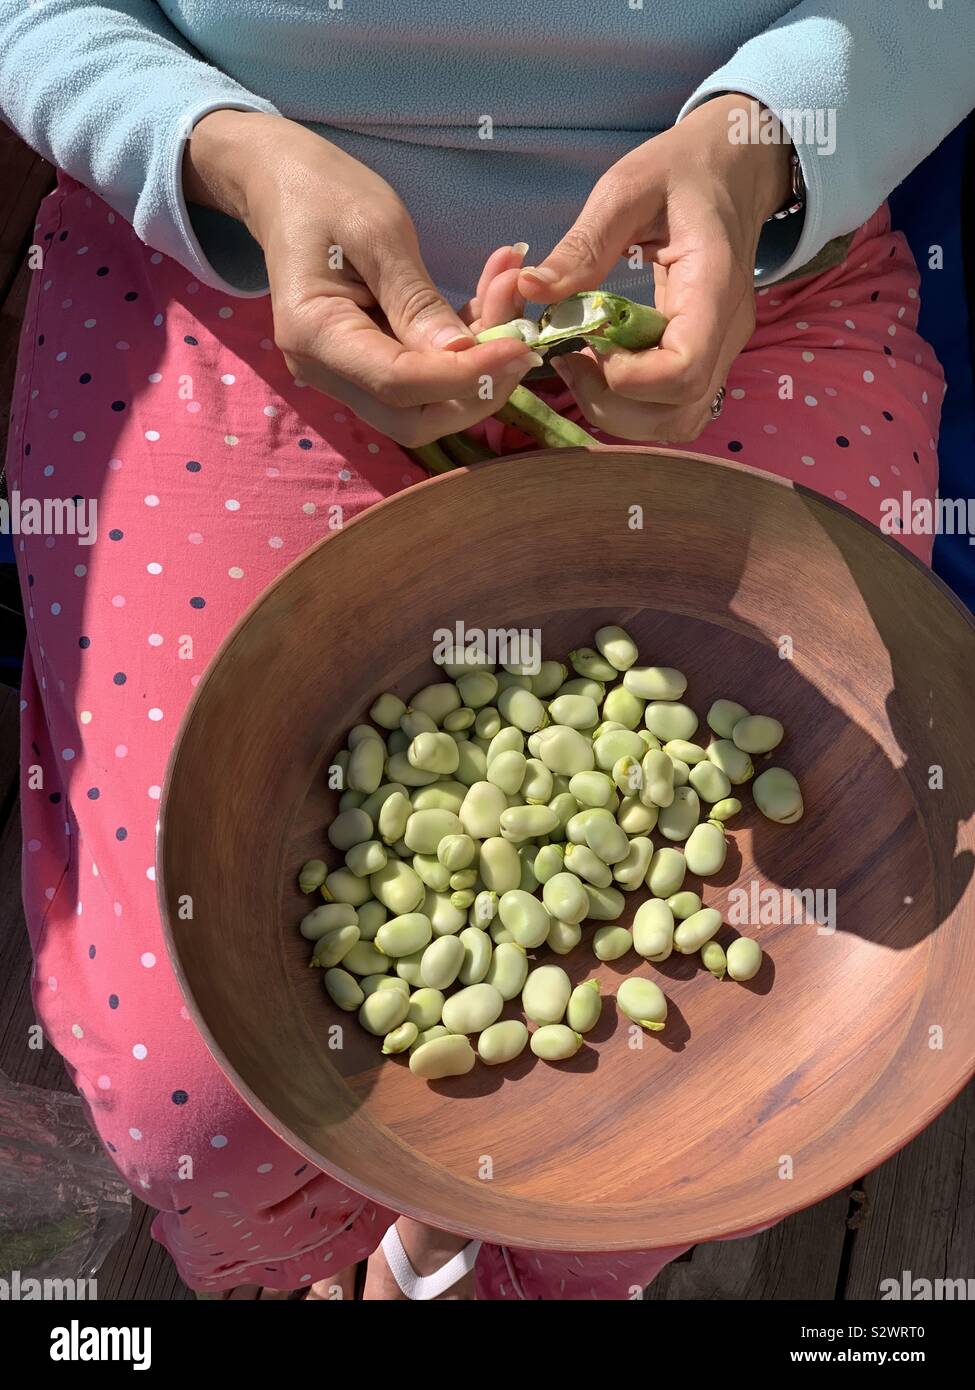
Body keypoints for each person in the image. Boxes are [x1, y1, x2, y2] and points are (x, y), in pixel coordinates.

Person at [1, 1, 972, 1300]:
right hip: (223, 274)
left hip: (759, 282)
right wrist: (222, 151)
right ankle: (323, 1263)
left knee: (692, 1089)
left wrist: (765, 139)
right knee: (208, 1114)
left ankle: (502, 1267)